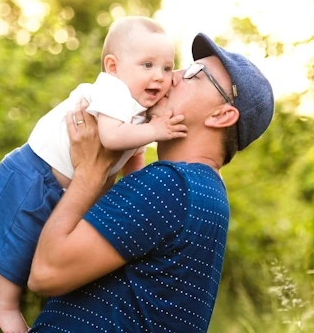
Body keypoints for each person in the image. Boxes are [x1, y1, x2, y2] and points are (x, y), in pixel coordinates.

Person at [26, 32, 275, 332]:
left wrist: (88, 173)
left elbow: (46, 273)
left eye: (195, 74)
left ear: (221, 115)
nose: (171, 78)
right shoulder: (204, 192)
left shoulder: (171, 184)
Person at [0, 16, 187, 333]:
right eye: (147, 65)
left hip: (57, 186)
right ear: (113, 66)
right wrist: (156, 129)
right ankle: (4, 304)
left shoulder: (138, 112)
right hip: (35, 175)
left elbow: (133, 156)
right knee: (25, 235)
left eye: (167, 68)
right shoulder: (114, 92)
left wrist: (137, 185)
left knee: (29, 243)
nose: (159, 77)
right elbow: (110, 137)